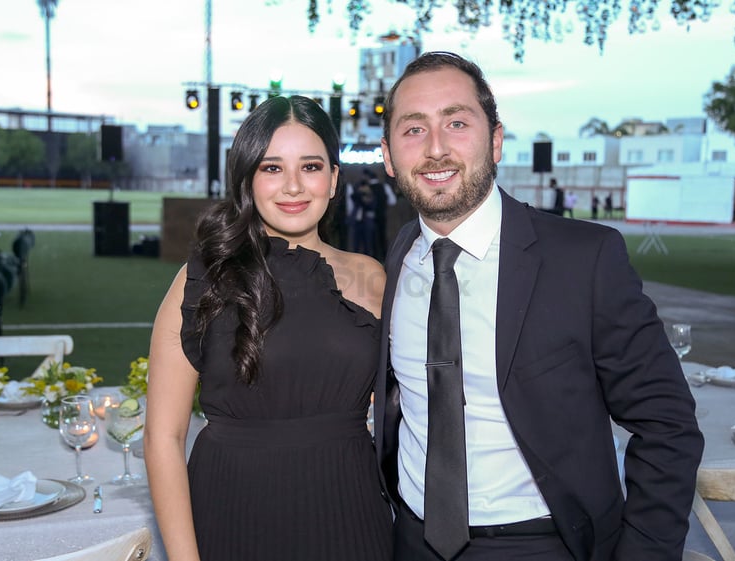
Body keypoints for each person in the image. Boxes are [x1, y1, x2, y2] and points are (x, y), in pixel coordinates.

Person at [374, 51, 703, 561]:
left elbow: (668, 426)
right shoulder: (399, 257)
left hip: (544, 544)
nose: (436, 148)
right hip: (411, 540)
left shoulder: (585, 259)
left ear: (496, 140)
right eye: (413, 129)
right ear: (389, 155)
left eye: (457, 122)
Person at [144, 95, 393, 561]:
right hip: (232, 513)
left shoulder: (373, 277)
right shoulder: (202, 280)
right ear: (247, 179)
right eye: (272, 168)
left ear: (335, 178)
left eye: (312, 167)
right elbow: (163, 437)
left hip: (351, 514)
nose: (294, 186)